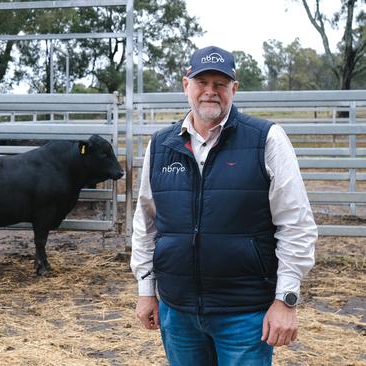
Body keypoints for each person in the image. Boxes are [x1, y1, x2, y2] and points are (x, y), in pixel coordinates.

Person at [130, 46, 316, 365]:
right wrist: (147, 291)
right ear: (186, 84)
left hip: (244, 314)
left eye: (220, 83)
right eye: (202, 82)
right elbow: (145, 225)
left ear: (234, 88)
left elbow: (296, 225)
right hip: (178, 312)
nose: (210, 92)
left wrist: (286, 300)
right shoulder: (161, 145)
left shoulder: (266, 139)